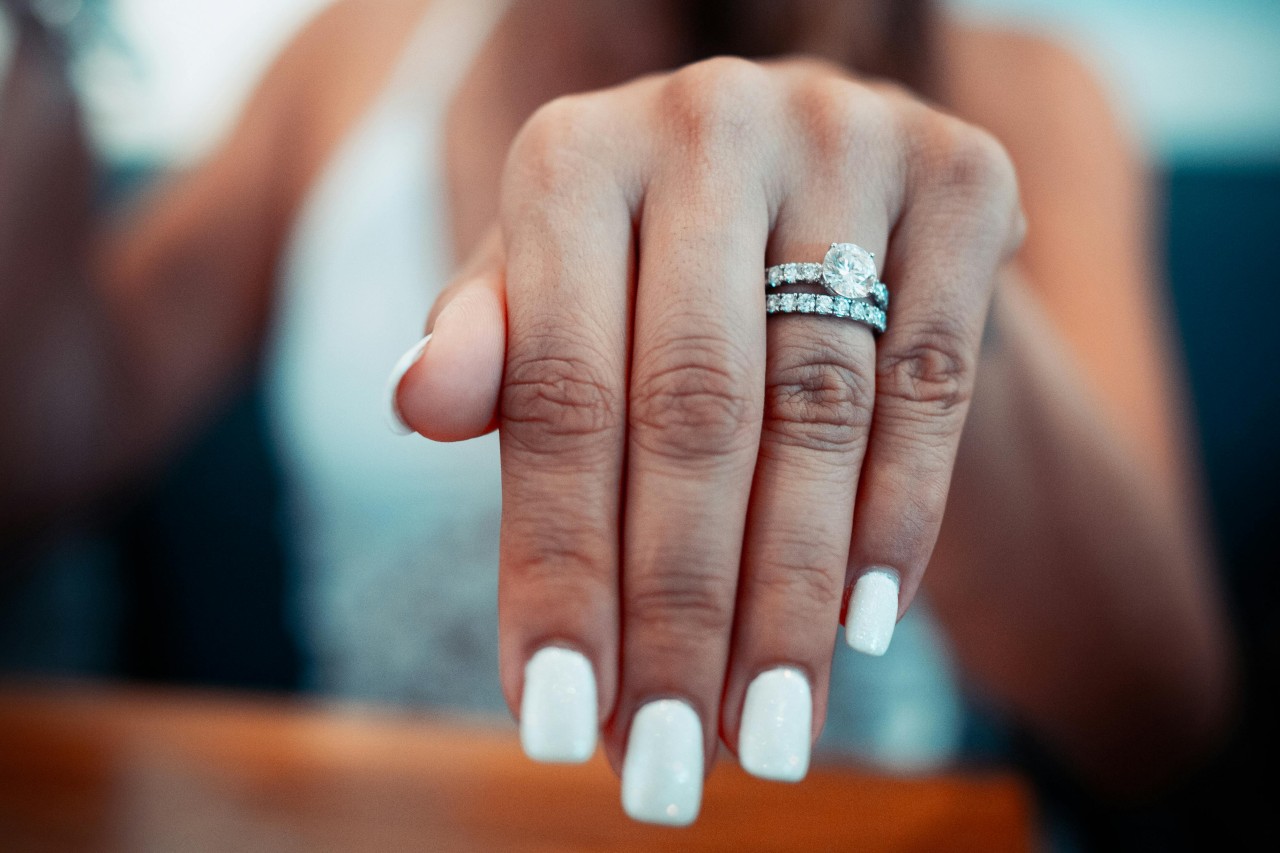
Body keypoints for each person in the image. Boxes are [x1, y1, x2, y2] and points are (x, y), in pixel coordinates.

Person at [0, 0, 1233, 827]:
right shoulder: (357, 49)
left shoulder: (1020, 94)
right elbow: (59, 429)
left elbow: (1156, 716)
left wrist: (933, 323)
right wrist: (33, 69)